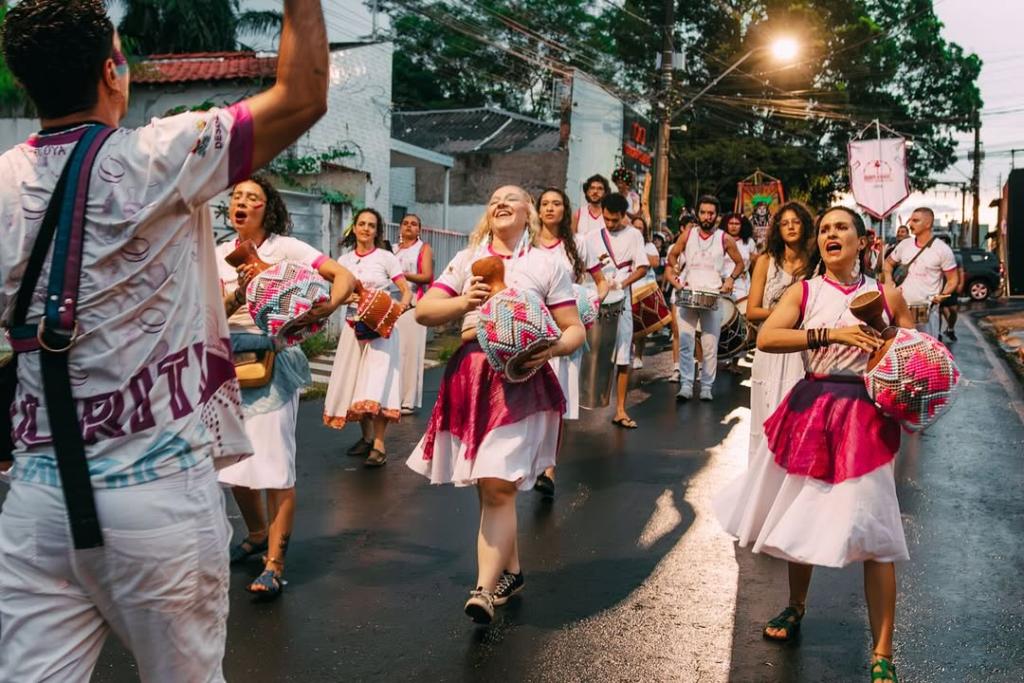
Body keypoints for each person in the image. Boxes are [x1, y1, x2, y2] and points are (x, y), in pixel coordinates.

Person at [0, 0, 334, 678]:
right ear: (113, 70)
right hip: (157, 496)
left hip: (35, 497)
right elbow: (303, 96)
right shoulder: (163, 152)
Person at [714, 206, 914, 683]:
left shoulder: (885, 293)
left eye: (841, 227)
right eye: (824, 228)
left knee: (877, 528)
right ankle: (795, 605)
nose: (830, 234)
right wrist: (830, 333)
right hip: (814, 405)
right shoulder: (807, 290)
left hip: (867, 414)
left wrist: (892, 345)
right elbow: (767, 336)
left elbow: (915, 351)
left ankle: (882, 650)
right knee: (803, 511)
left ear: (862, 241)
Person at [406, 185, 585, 624]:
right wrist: (462, 302)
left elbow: (575, 327)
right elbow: (423, 311)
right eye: (494, 199)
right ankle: (513, 571)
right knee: (491, 486)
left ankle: (483, 590)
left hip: (521, 379)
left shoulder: (547, 263)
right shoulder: (467, 260)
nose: (501, 203)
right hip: (470, 374)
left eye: (512, 198)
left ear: (530, 213)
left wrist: (555, 349)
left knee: (500, 484)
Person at [217, 176, 352, 600]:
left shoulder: (286, 248)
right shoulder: (219, 253)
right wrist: (238, 297)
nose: (242, 202)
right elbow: (208, 309)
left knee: (275, 465)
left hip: (273, 358)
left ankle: (275, 563)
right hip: (227, 362)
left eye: (252, 197)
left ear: (266, 207)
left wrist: (329, 306)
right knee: (231, 462)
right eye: (236, 196)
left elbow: (341, 275)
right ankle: (256, 534)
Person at [535, 188, 609, 499]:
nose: (551, 209)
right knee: (530, 398)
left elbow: (601, 281)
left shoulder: (578, 245)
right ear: (537, 210)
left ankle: (548, 470)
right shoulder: (526, 245)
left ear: (566, 210)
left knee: (556, 401)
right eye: (545, 204)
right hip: (530, 329)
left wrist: (590, 302)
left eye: (557, 204)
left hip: (565, 331)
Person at [324, 208, 412, 467]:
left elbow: (405, 290)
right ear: (354, 228)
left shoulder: (386, 258)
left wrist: (398, 309)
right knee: (356, 384)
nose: (365, 229)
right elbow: (335, 296)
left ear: (377, 231)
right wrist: (346, 298)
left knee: (377, 384)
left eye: (371, 225)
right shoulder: (344, 261)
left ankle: (379, 445)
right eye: (361, 224)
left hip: (381, 330)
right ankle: (365, 438)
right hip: (353, 328)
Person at [744, 201, 818, 456]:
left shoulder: (816, 264)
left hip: (801, 350)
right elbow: (752, 310)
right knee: (768, 415)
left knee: (799, 417)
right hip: (771, 348)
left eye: (796, 222)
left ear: (805, 226)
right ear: (777, 229)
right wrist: (785, 315)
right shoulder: (766, 261)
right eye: (785, 223)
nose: (790, 227)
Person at [664, 195, 745, 401]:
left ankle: (707, 387)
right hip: (688, 293)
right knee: (685, 342)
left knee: (710, 345)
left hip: (713, 296)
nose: (706, 216)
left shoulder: (724, 238)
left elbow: (740, 264)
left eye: (711, 213)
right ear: (698, 213)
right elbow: (672, 255)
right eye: (703, 212)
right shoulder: (688, 235)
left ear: (717, 216)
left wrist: (730, 280)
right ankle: (686, 385)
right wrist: (674, 273)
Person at [582, 193, 650, 428]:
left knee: (622, 354)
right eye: (606, 219)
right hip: (595, 295)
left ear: (624, 216)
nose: (610, 224)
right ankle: (579, 402)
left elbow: (642, 267)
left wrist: (622, 283)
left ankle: (620, 409)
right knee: (586, 349)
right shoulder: (590, 237)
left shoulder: (634, 235)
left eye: (615, 220)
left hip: (622, 298)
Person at [883, 207, 958, 337]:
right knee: (902, 351)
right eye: (910, 220)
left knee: (925, 351)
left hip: (926, 311)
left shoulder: (942, 249)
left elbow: (952, 279)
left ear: (928, 224)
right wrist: (889, 281)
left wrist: (942, 295)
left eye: (915, 221)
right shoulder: (905, 244)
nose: (910, 224)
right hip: (901, 308)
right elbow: (888, 263)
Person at [393, 213, 433, 414]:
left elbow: (426, 276)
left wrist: (400, 275)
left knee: (411, 351)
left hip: (414, 303)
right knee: (394, 351)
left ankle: (407, 400)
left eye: (414, 224)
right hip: (393, 303)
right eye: (405, 223)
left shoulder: (423, 248)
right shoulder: (392, 249)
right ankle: (392, 397)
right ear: (400, 228)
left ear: (419, 230)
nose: (409, 226)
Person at [631, 217, 679, 372]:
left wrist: (638, 251)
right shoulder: (624, 242)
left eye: (640, 227)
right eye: (635, 227)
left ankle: (638, 356)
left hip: (643, 287)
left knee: (640, 328)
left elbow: (655, 263)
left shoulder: (649, 245)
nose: (638, 230)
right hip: (628, 287)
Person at [720, 212, 757, 302]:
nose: (734, 226)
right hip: (722, 284)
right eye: (731, 223)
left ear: (742, 226)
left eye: (737, 224)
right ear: (726, 225)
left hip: (742, 283)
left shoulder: (749, 242)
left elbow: (755, 265)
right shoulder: (719, 240)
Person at [936, 234, 965, 342]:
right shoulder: (933, 256)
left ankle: (950, 329)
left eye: (945, 243)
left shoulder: (956, 257)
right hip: (937, 288)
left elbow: (961, 271)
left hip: (951, 287)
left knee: (953, 309)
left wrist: (960, 284)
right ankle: (937, 332)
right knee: (937, 311)